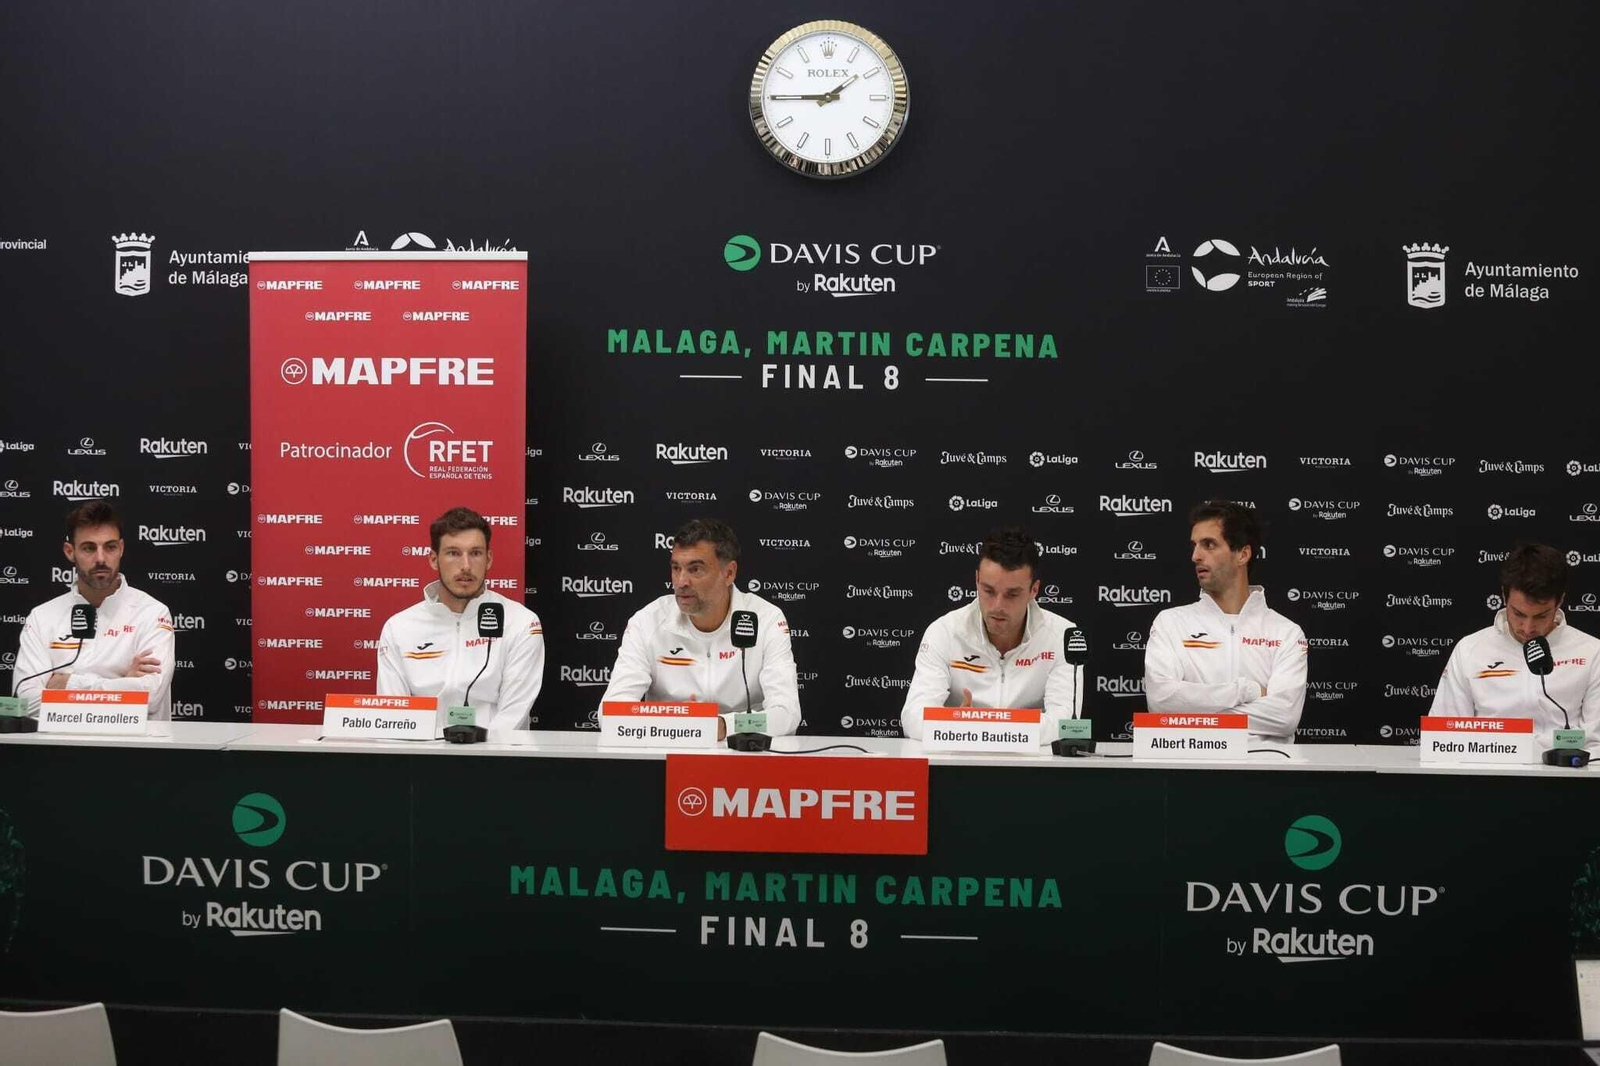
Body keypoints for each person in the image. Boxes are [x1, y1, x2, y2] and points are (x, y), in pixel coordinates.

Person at [600, 518, 799, 739]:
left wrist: (724, 725)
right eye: (676, 568)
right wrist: (687, 727)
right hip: (666, 757)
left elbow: (786, 714)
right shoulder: (647, 621)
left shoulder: (766, 619)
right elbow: (609, 713)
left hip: (743, 758)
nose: (681, 581)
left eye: (695, 569)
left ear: (729, 573)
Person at [900, 526, 1083, 742]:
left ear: (1034, 590)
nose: (997, 606)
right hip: (959, 764)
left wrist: (979, 727)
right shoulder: (944, 632)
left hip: (1034, 769)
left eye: (1012, 594)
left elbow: (1067, 724)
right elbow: (913, 717)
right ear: (977, 580)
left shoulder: (1063, 636)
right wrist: (955, 723)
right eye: (988, 591)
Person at [1144, 500, 1306, 741]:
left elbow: (1283, 718)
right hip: (1188, 770)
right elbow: (1161, 702)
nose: (1195, 556)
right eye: (1195, 545)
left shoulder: (1286, 632)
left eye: (1209, 544)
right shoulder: (1170, 623)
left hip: (1265, 771)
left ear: (1243, 554)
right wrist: (1247, 690)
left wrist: (1193, 715)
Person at [376, 507, 543, 735]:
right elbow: (394, 717)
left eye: (475, 553)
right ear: (434, 560)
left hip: (498, 761)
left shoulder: (522, 622)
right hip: (421, 760)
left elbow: (513, 715)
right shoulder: (399, 627)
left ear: (489, 559)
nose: (465, 565)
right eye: (453, 553)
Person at [12, 502, 175, 719]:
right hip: (60, 751)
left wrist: (67, 683)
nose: (100, 558)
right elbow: (24, 704)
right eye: (89, 547)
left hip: (135, 750)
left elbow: (150, 697)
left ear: (121, 549)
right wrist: (120, 686)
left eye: (110, 547)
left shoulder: (152, 613)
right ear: (70, 552)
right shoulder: (42, 617)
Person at [1429, 543, 1600, 735]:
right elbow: (1444, 734)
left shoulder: (1593, 652)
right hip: (1485, 763)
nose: (1527, 628)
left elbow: (1596, 741)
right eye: (1518, 613)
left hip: (1563, 765)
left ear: (1560, 601)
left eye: (1541, 616)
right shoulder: (1469, 649)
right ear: (1504, 596)